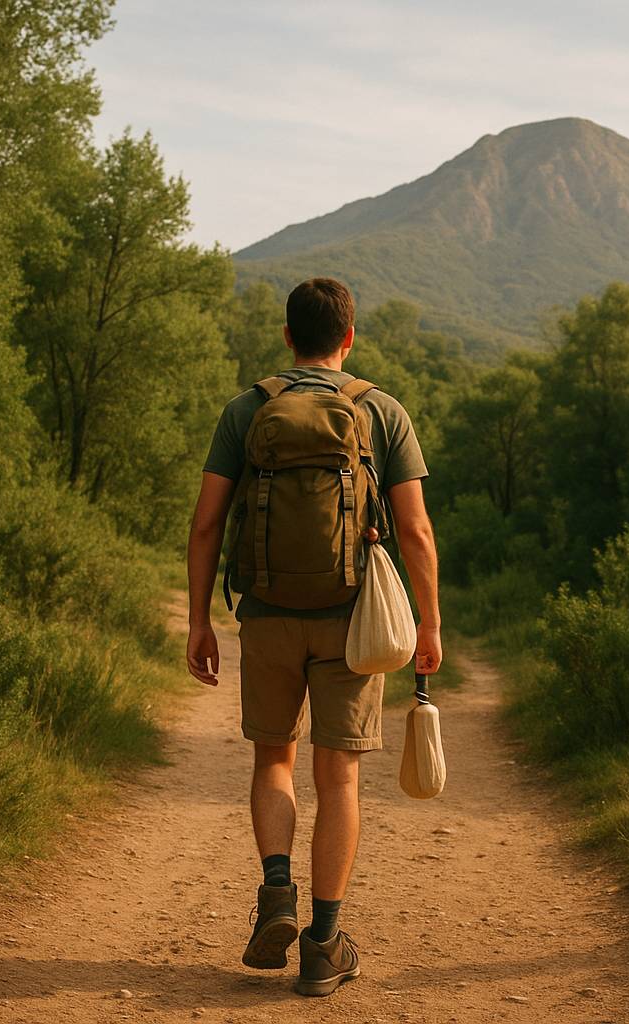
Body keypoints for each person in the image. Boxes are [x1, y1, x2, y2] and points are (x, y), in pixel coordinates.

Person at [185, 277, 442, 996]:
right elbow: (416, 530)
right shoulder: (381, 411)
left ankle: (276, 892)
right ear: (349, 338)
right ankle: (324, 945)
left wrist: (199, 617)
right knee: (340, 777)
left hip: (266, 611)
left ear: (289, 336)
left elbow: (207, 523)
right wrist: (429, 621)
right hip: (351, 619)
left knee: (274, 759)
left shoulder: (248, 410)